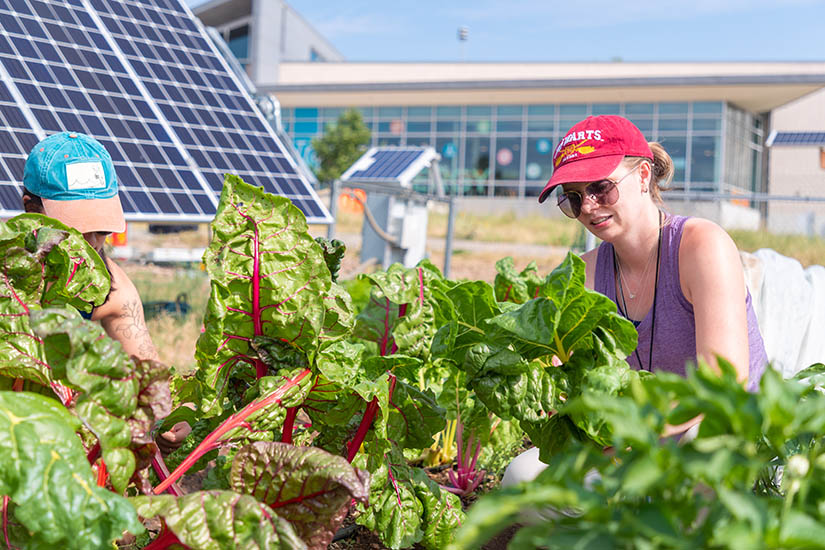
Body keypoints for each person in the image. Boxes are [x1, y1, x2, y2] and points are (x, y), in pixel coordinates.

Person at [537, 115, 767, 398]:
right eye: (572, 197)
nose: (587, 206)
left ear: (643, 175)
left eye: (600, 187)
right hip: (646, 437)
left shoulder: (702, 246)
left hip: (731, 431)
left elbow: (724, 386)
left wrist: (636, 435)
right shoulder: (584, 273)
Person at [22, 131, 189, 451]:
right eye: (79, 229)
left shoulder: (115, 289)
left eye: (101, 230)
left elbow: (151, 380)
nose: (94, 243)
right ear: (31, 208)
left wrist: (167, 423)